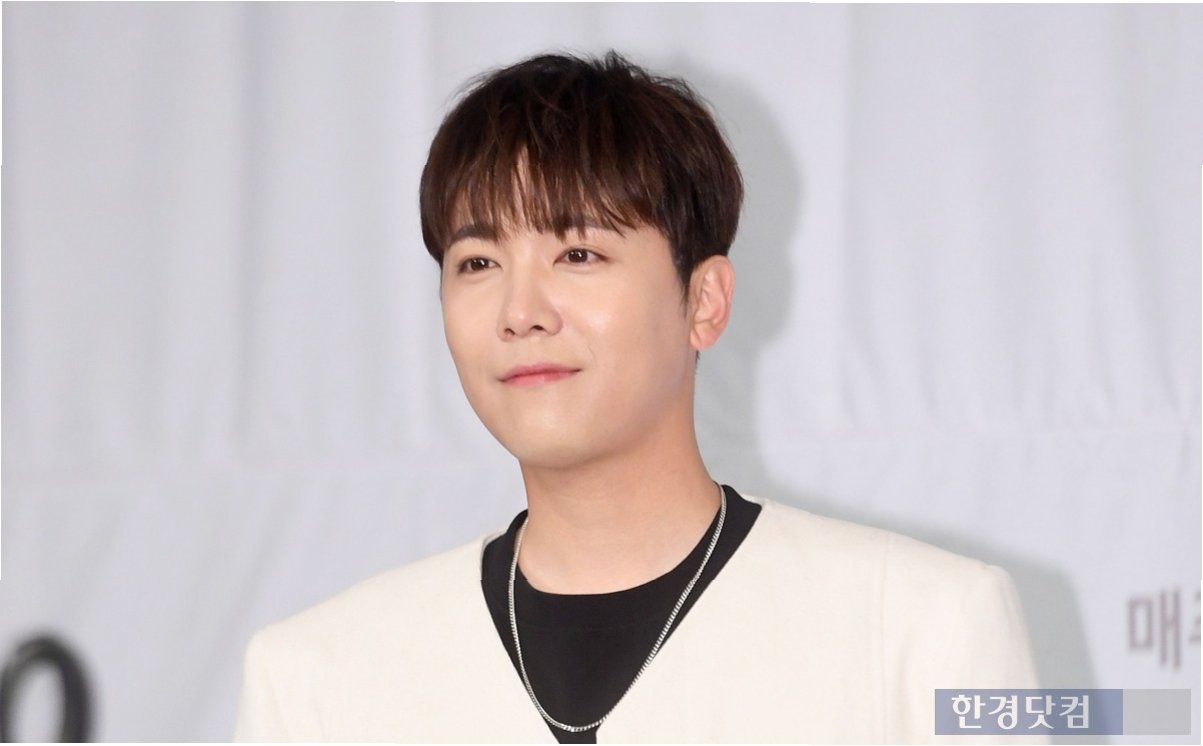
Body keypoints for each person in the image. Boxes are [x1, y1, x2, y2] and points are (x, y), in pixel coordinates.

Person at [235, 51, 1040, 743]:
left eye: (578, 254)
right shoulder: (314, 678)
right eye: (477, 263)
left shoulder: (929, 626)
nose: (520, 312)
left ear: (704, 301)